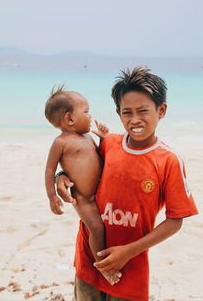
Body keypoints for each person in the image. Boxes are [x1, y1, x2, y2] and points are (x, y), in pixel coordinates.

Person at [56, 67, 199, 301]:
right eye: (127, 112)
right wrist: (60, 176)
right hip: (89, 257)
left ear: (161, 110)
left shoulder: (169, 161)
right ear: (118, 113)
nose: (135, 120)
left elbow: (176, 220)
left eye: (143, 111)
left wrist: (128, 252)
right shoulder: (108, 144)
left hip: (130, 266)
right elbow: (79, 168)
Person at [44, 86, 121, 285]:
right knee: (96, 228)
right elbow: (49, 170)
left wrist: (105, 139)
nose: (90, 116)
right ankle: (102, 265)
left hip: (101, 194)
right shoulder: (61, 142)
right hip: (83, 199)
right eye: (86, 112)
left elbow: (100, 157)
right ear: (69, 119)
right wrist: (52, 196)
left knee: (103, 228)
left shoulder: (88, 137)